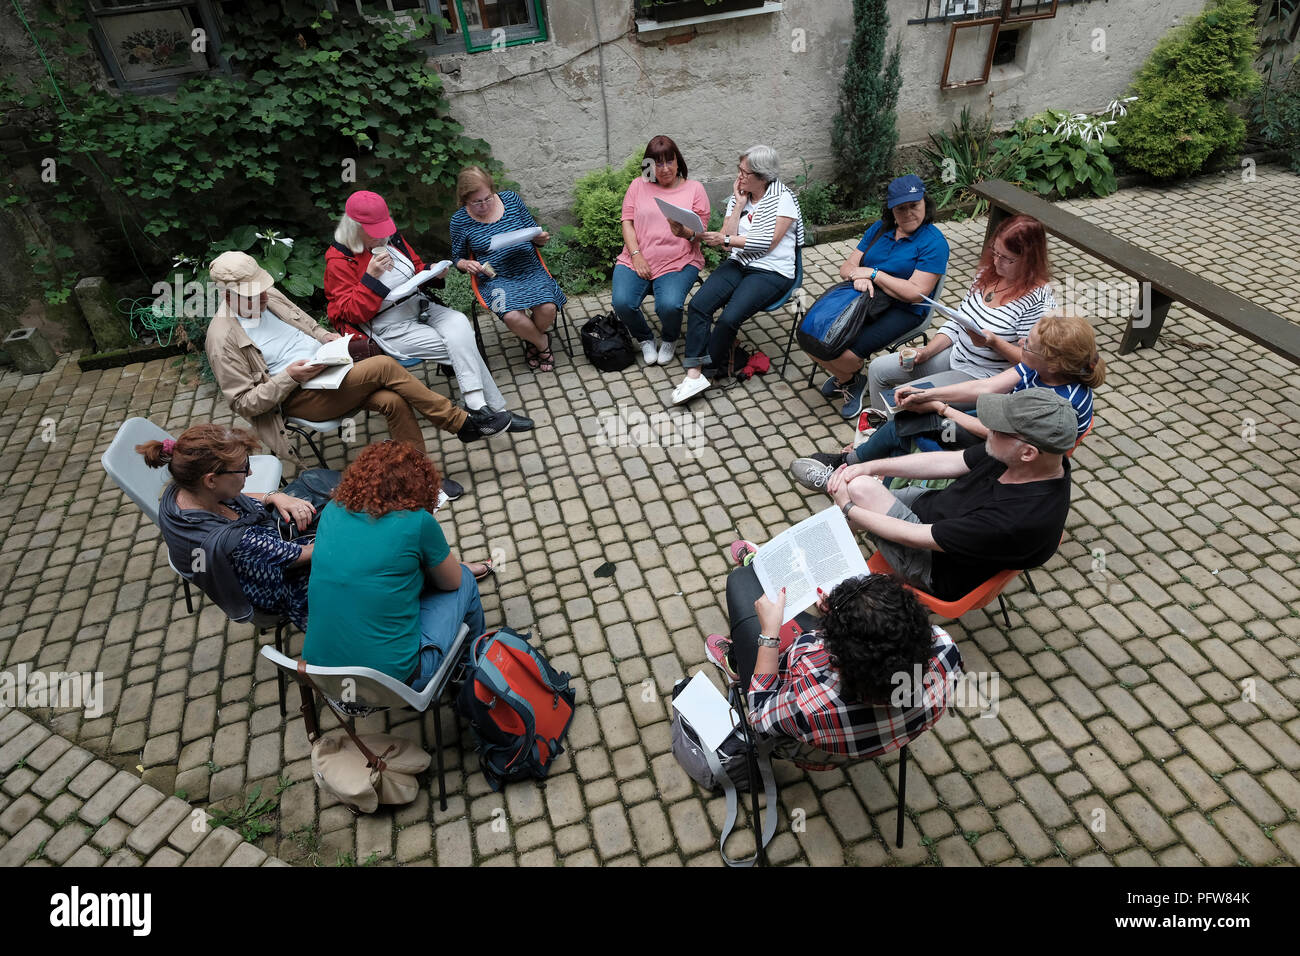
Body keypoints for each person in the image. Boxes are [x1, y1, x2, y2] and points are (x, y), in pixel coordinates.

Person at [205, 251, 514, 496]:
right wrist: (290, 377)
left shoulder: (268, 296)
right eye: (252, 295)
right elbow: (245, 404)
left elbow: (307, 327)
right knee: (383, 366)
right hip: (298, 395)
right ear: (228, 295)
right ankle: (461, 423)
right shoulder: (222, 339)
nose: (262, 297)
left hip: (329, 370)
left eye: (262, 290)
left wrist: (326, 338)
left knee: (393, 400)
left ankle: (420, 481)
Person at [704, 554, 962, 769]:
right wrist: (849, 612)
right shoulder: (946, 650)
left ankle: (736, 663)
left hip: (810, 752)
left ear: (837, 657)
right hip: (877, 738)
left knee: (741, 580)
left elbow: (759, 715)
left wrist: (770, 633)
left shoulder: (809, 704)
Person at [790, 313, 1104, 489]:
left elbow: (994, 435)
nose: (1020, 344)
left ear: (1053, 362)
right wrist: (930, 394)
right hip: (1004, 424)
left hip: (1012, 454)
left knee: (915, 425)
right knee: (911, 416)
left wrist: (941, 408)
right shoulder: (1040, 366)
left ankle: (849, 472)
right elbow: (988, 386)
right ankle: (860, 471)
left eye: (1028, 345)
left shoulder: (1058, 401)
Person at [825, 389, 1078, 602]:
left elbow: (914, 536)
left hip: (933, 563)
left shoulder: (1015, 519)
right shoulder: (1032, 460)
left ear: (1028, 452)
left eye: (998, 429)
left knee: (858, 492)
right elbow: (952, 461)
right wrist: (873, 466)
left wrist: (848, 507)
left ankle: (829, 562)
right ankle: (835, 536)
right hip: (937, 510)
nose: (987, 429)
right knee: (858, 489)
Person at [324, 189, 533, 432]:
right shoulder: (340, 261)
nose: (383, 239)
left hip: (419, 305)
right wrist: (371, 279)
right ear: (355, 227)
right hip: (387, 325)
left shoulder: (392, 238)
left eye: (384, 231)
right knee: (459, 345)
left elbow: (415, 267)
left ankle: (482, 411)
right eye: (376, 234)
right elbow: (350, 314)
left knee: (458, 322)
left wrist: (432, 271)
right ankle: (491, 410)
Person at [304, 442, 488, 691]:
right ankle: (474, 671)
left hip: (325, 676)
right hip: (397, 682)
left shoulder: (332, 510)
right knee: (465, 579)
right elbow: (452, 582)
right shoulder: (417, 522)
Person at [862, 213, 1055, 416]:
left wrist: (994, 342)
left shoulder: (1037, 300)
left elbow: (1033, 361)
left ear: (1029, 260)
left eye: (1006, 258)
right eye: (995, 252)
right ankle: (875, 431)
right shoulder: (987, 275)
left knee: (902, 400)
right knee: (877, 369)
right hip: (956, 354)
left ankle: (884, 440)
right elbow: (957, 323)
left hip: (983, 376)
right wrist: (927, 352)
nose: (996, 262)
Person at [139, 424, 316, 630]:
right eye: (242, 467)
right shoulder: (234, 541)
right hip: (272, 590)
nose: (249, 472)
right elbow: (298, 555)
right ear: (211, 480)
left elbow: (234, 497)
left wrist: (273, 496)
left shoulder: (182, 490)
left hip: (245, 558)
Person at [808, 174, 950, 419]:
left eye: (914, 206)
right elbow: (847, 267)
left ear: (925, 204)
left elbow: (916, 293)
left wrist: (873, 274)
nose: (908, 214)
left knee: (843, 352)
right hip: (864, 297)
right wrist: (858, 276)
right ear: (891, 211)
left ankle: (851, 377)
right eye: (900, 208)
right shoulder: (879, 229)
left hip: (904, 310)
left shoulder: (934, 243)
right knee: (811, 332)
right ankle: (849, 377)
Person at [671, 145, 804, 404]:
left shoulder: (784, 199)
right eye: (739, 170)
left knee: (729, 318)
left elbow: (769, 242)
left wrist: (727, 237)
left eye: (745, 172)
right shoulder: (740, 196)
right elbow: (726, 243)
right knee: (699, 305)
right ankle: (694, 371)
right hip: (740, 261)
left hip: (772, 270)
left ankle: (706, 372)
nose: (739, 176)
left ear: (763, 177)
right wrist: (738, 205)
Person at [450, 166, 565, 372]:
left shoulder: (511, 200)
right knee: (512, 315)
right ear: (464, 199)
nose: (484, 205)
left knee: (548, 307)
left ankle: (532, 341)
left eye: (488, 198)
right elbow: (457, 257)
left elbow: (533, 232)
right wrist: (466, 264)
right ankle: (542, 343)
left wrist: (541, 239)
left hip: (529, 267)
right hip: (495, 276)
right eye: (477, 202)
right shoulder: (459, 220)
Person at [611, 135, 710, 366]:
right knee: (622, 302)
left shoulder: (694, 189)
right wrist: (636, 256)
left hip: (678, 260)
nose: (664, 168)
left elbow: (701, 233)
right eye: (658, 162)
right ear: (649, 165)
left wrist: (684, 232)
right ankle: (645, 338)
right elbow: (627, 221)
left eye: (669, 161)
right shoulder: (639, 185)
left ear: (678, 162)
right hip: (637, 257)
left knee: (669, 306)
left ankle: (670, 338)